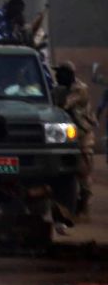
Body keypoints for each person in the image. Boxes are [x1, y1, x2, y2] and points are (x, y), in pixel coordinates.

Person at [54, 62, 96, 218]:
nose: (57, 76)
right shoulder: (61, 89)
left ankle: (84, 206)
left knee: (83, 173)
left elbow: (63, 106)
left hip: (83, 136)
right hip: (68, 136)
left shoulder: (80, 89)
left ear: (69, 74)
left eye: (60, 73)